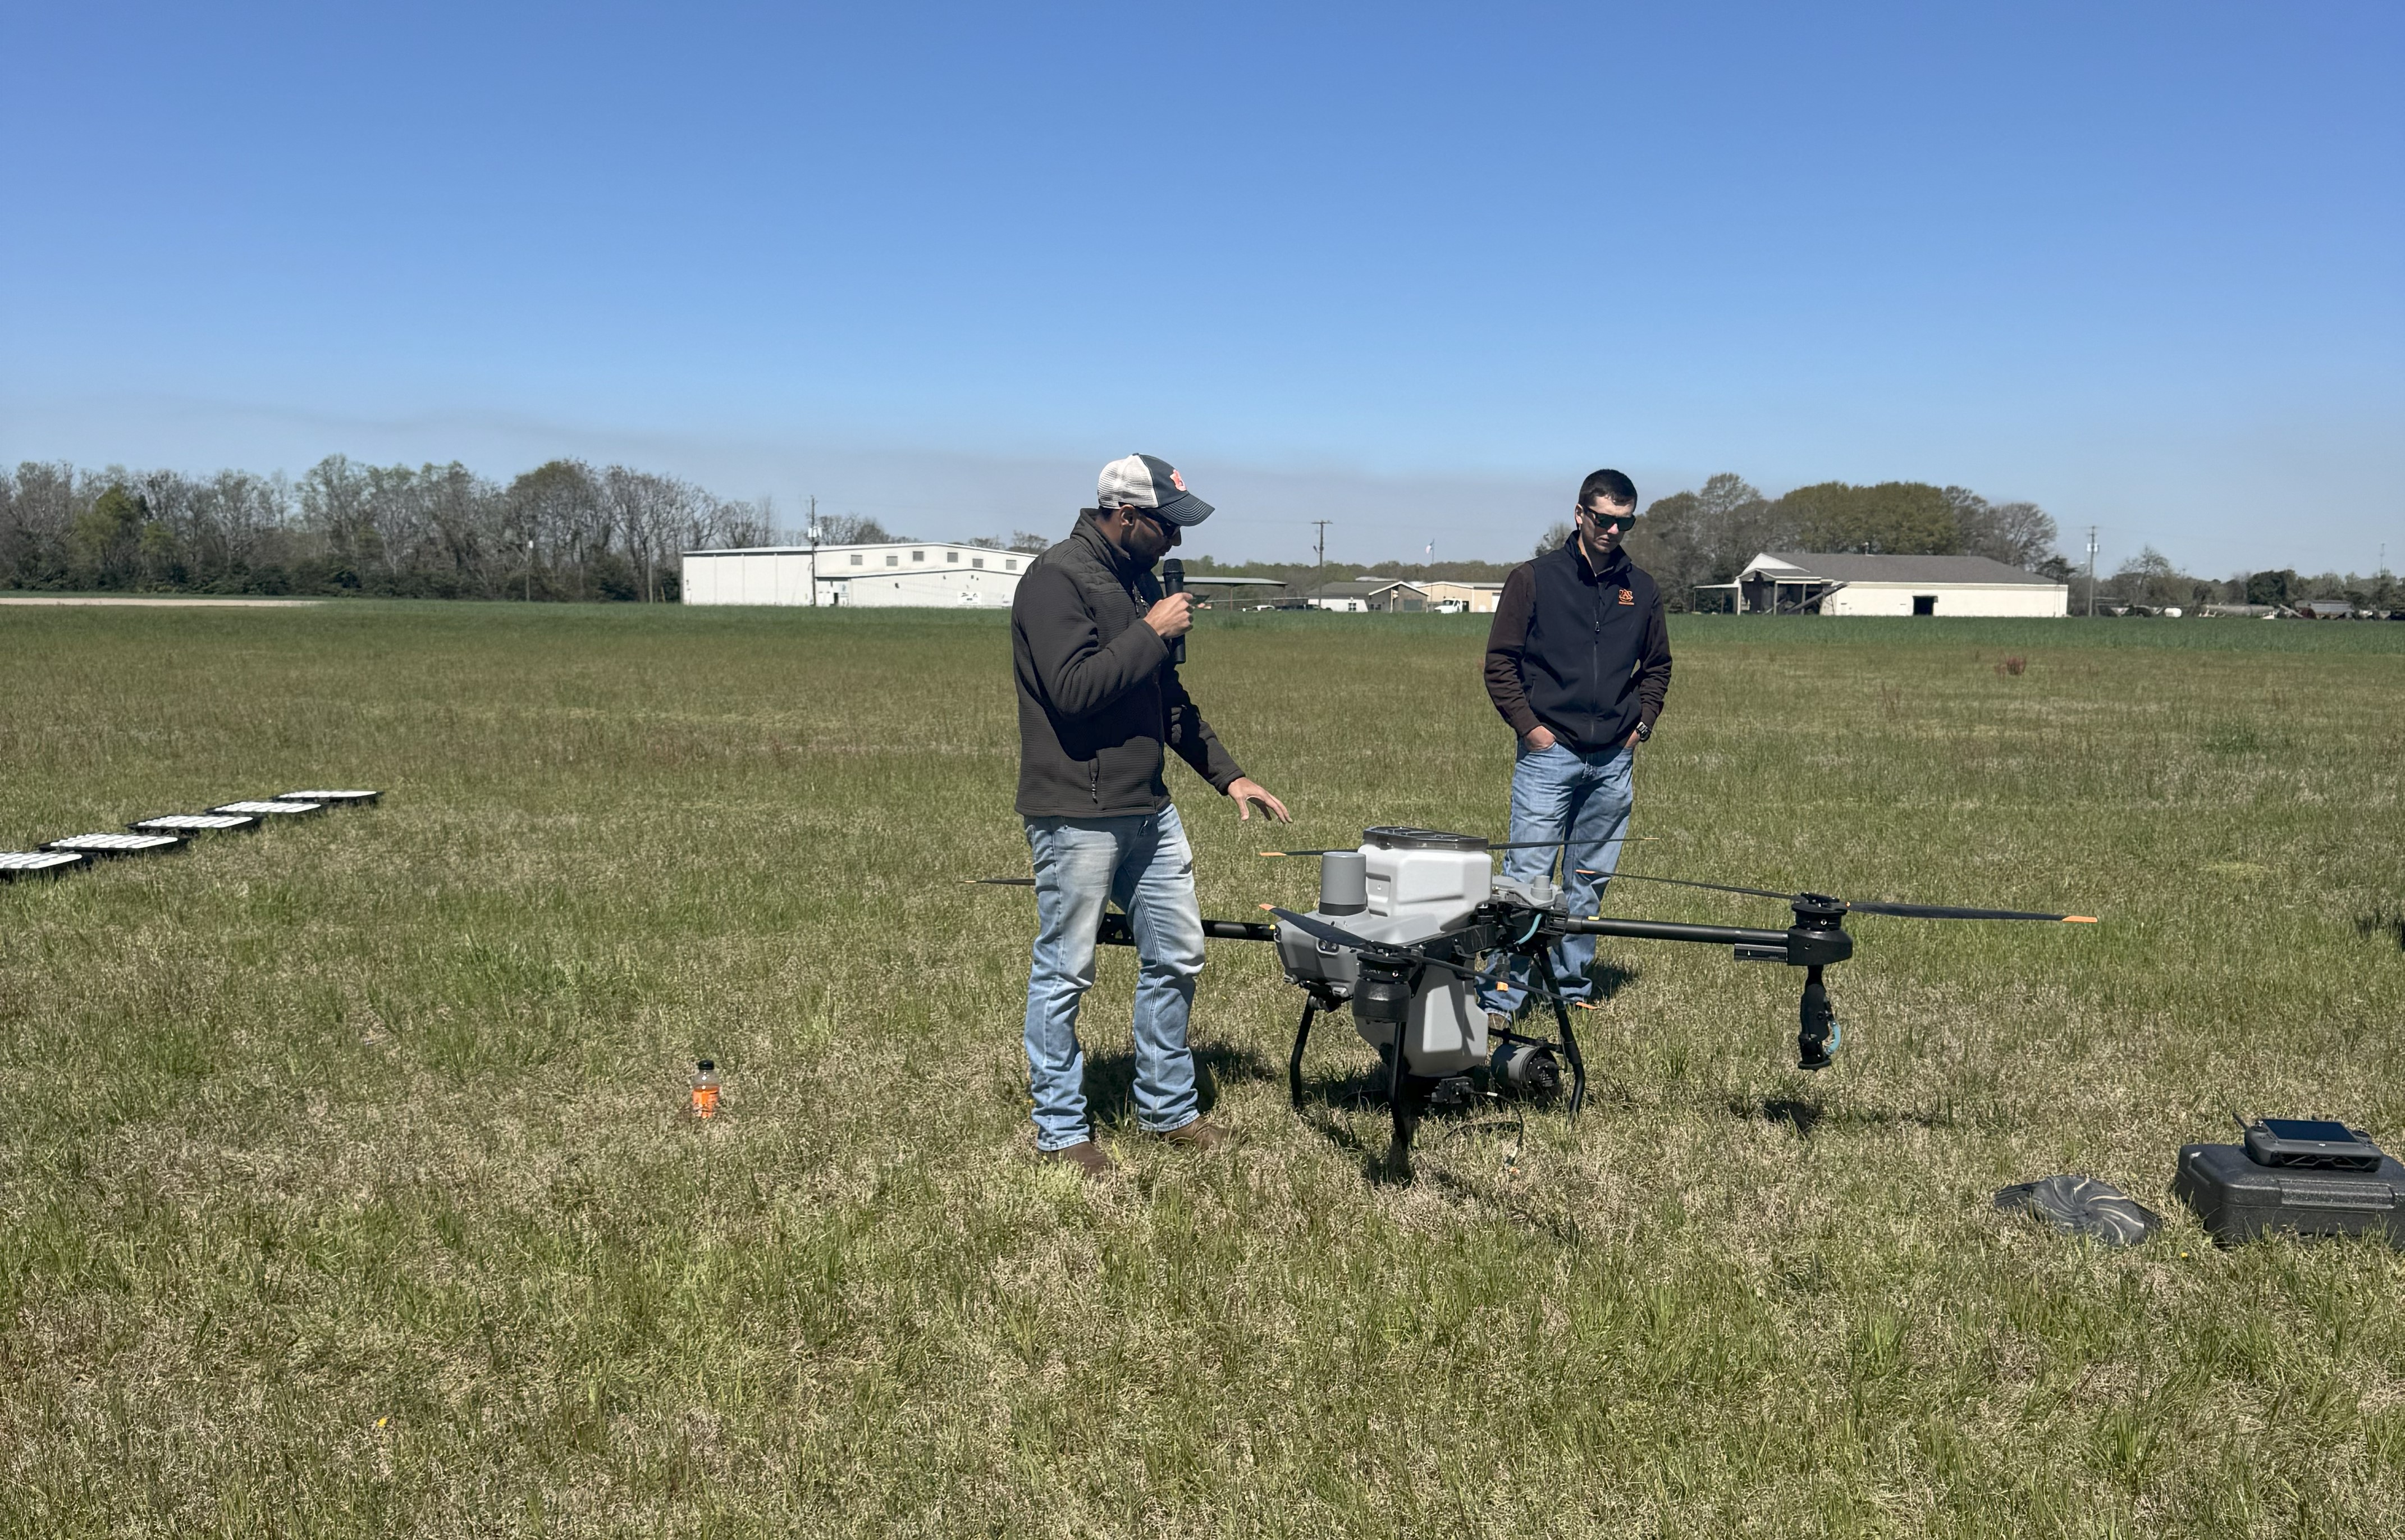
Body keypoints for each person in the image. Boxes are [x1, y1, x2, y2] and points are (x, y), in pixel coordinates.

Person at [1011, 453, 1290, 1176]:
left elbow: (1168, 704)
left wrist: (1229, 778)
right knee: (1066, 970)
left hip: (1147, 807)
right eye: (1167, 527)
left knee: (1178, 952)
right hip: (1076, 808)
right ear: (1125, 515)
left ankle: (1167, 1110)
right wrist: (1152, 630)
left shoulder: (1135, 582)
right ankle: (1062, 1131)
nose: (1175, 542)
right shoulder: (1056, 579)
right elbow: (1073, 690)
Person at [1478, 468, 1672, 1016]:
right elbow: (1500, 663)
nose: (1614, 530)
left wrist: (1642, 725)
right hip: (1550, 753)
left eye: (1625, 521)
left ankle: (1570, 987)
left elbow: (1657, 666)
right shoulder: (1534, 578)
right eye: (1605, 519)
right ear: (1581, 515)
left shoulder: (1643, 589)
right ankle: (1503, 994)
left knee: (1588, 882)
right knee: (1525, 882)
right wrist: (1532, 731)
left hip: (1613, 757)